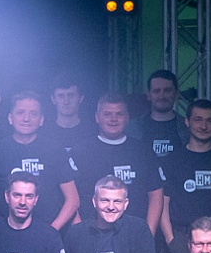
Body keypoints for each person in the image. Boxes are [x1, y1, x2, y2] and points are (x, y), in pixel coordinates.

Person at [0, 90, 79, 230]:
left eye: (33, 113)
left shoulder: (55, 150)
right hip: (5, 234)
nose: (26, 118)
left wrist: (51, 232)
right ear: (10, 118)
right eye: (20, 112)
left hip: (48, 233)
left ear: (41, 120)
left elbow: (72, 199)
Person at [68, 92, 165, 235]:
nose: (113, 119)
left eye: (119, 114)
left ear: (127, 118)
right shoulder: (80, 152)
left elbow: (156, 194)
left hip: (134, 235)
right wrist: (81, 233)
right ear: (97, 117)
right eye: (107, 114)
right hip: (91, 235)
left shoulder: (143, 151)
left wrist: (148, 234)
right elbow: (69, 198)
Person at [159, 98, 211, 253]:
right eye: (198, 120)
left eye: (209, 121)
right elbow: (163, 202)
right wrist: (171, 240)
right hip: (181, 237)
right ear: (187, 122)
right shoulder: (172, 159)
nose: (203, 126)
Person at [130, 69, 187, 158]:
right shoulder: (132, 128)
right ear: (148, 95)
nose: (161, 96)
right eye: (156, 91)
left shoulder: (188, 128)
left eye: (167, 91)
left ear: (176, 94)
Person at [43, 75, 85, 155]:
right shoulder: (43, 133)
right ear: (53, 99)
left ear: (81, 98)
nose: (66, 101)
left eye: (71, 95)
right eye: (61, 96)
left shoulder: (93, 132)